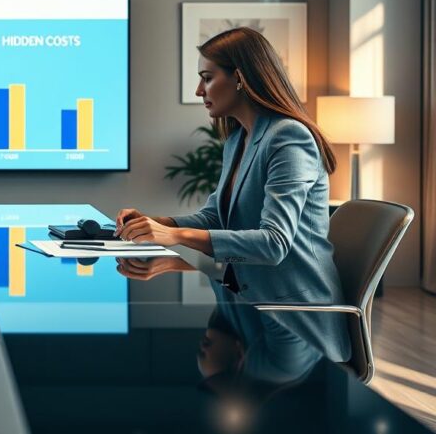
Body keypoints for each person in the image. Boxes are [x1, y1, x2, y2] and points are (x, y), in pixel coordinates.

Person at [114, 26, 350, 362]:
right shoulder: (239, 139)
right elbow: (215, 216)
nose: (199, 90)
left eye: (207, 78)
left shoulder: (289, 138)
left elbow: (274, 244)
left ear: (239, 78)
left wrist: (175, 235)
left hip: (295, 321)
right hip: (252, 305)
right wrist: (156, 222)